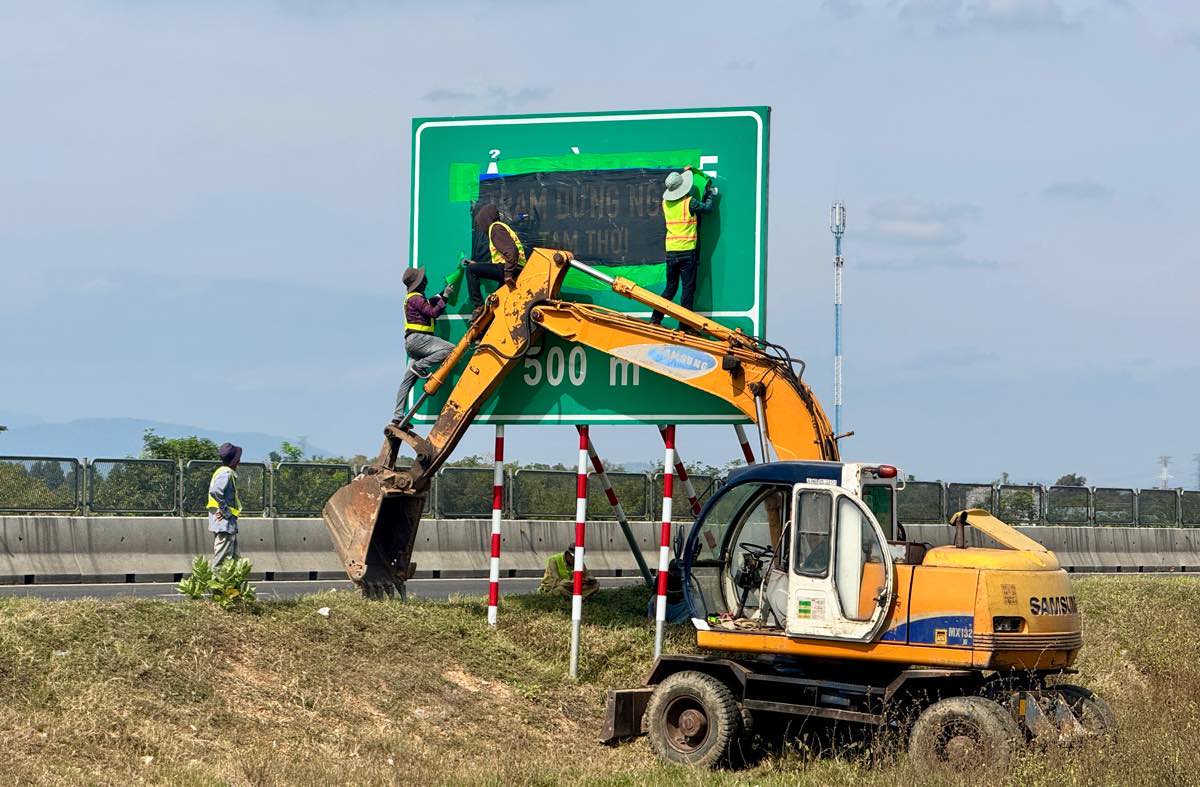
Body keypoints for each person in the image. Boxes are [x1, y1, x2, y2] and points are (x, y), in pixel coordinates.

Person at [649, 165, 718, 327]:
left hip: (671, 252)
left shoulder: (666, 203)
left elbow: (676, 185)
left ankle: (655, 319)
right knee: (687, 290)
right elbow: (707, 209)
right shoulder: (689, 202)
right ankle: (684, 326)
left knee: (670, 289)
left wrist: (687, 171)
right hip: (687, 252)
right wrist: (709, 194)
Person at [391, 266, 454, 426]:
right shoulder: (416, 298)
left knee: (407, 381)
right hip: (420, 340)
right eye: (423, 279)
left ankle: (398, 416)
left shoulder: (412, 298)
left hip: (413, 343)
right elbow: (432, 312)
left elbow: (431, 301)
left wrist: (443, 293)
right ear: (418, 283)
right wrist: (445, 298)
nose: (425, 281)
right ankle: (421, 366)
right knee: (451, 350)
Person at [462, 202, 526, 320]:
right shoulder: (499, 228)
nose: (481, 227)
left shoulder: (495, 228)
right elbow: (501, 258)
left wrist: (508, 274)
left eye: (481, 223)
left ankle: (478, 305)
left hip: (511, 268)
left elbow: (512, 251)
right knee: (497, 304)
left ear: (486, 219)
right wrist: (478, 265)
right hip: (514, 267)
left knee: (471, 270)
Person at [207, 442, 243, 567]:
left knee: (233, 558)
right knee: (222, 559)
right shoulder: (226, 473)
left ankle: (231, 585)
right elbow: (215, 491)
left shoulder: (222, 471)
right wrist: (225, 511)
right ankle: (215, 586)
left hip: (227, 523)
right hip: (224, 522)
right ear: (234, 461)